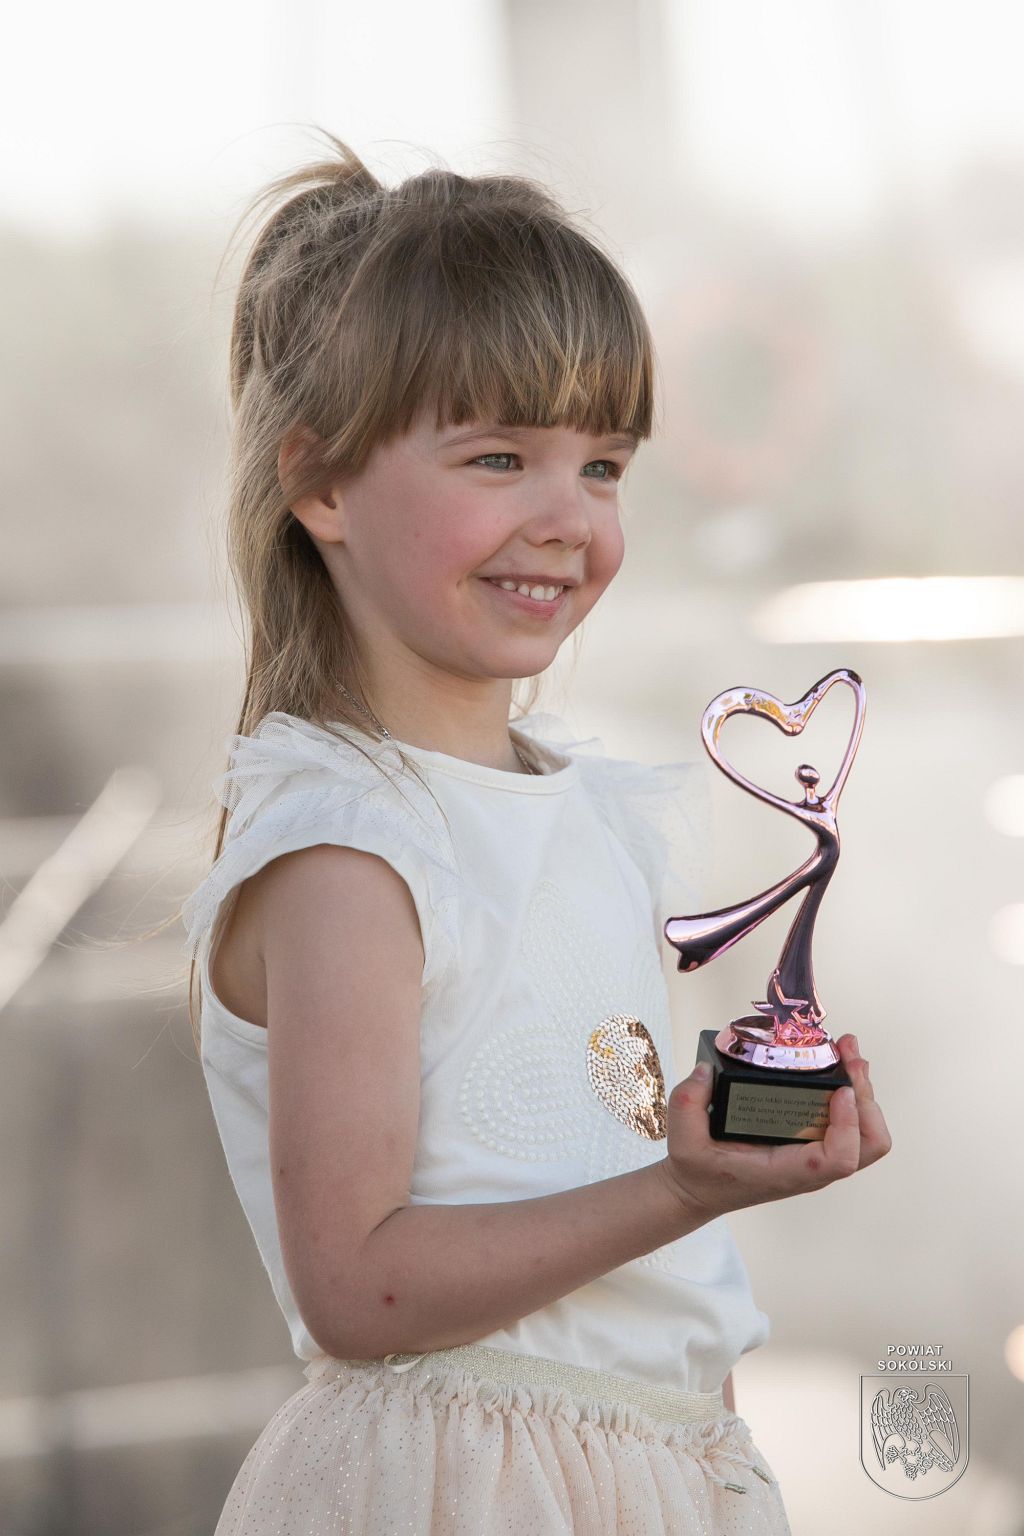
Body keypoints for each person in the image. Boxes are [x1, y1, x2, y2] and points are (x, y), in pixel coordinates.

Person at [181, 127, 891, 1535]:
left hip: (653, 1472)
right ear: (319, 484)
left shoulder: (590, 808)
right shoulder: (352, 852)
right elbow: (358, 1284)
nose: (569, 520)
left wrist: (727, 1163)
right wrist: (684, 1187)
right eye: (501, 457)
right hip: (466, 1489)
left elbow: (636, 1260)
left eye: (605, 466)